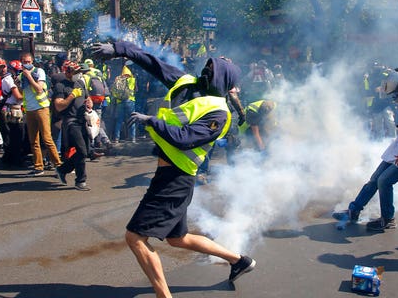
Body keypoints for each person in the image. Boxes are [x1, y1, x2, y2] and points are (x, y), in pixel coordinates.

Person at [92, 41, 256, 298]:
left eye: (211, 69)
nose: (205, 71)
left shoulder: (220, 113)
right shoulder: (186, 82)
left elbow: (186, 138)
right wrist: (119, 48)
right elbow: (151, 62)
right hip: (169, 175)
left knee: (135, 238)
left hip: (176, 179)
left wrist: (153, 122)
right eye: (207, 66)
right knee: (177, 238)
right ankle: (239, 260)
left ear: (222, 78)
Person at [332, 68, 398, 232]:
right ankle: (354, 210)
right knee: (375, 179)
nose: (394, 98)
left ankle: (388, 219)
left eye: (395, 94)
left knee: (384, 181)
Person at [19, 52, 62, 176]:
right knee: (34, 141)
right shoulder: (21, 75)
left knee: (47, 138)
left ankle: (58, 165)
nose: (26, 64)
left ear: (32, 61)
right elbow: (22, 92)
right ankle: (38, 166)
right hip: (30, 110)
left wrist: (29, 77)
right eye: (24, 62)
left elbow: (39, 88)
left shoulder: (39, 72)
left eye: (28, 62)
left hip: (41, 108)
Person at [53, 62, 93, 191]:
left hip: (83, 120)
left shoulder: (81, 83)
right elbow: (59, 106)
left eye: (79, 72)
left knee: (86, 151)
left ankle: (62, 169)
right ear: (67, 72)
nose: (78, 74)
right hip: (71, 122)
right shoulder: (61, 86)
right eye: (75, 72)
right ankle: (80, 181)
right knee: (81, 150)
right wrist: (71, 96)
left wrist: (89, 103)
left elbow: (88, 98)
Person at [1, 59, 26, 167]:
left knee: (17, 134)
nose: (18, 72)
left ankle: (11, 157)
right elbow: (18, 96)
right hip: (12, 109)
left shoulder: (17, 79)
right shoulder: (8, 79)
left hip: (18, 108)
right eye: (16, 70)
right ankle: (14, 159)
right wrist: (30, 94)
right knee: (15, 135)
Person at [111, 65, 136, 143]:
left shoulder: (118, 80)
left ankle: (116, 138)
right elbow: (136, 89)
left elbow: (113, 90)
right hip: (130, 101)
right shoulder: (132, 80)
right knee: (132, 119)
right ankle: (133, 138)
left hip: (119, 101)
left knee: (119, 120)